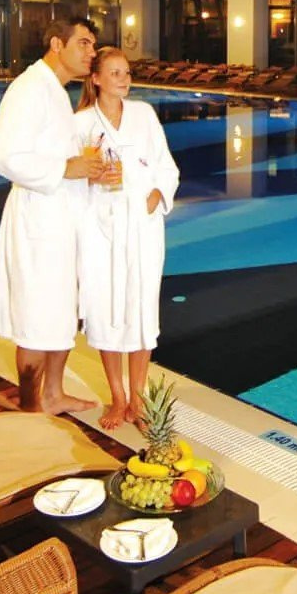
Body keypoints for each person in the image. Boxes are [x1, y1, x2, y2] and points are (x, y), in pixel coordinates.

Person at [0, 16, 104, 415]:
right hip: (39, 221)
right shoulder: (29, 89)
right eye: (84, 43)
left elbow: (55, 156)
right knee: (37, 317)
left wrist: (82, 170)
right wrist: (65, 169)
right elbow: (1, 156)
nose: (92, 52)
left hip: (62, 220)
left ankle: (53, 394)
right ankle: (31, 409)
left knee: (61, 310)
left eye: (93, 45)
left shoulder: (55, 91)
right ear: (56, 44)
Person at [74, 46, 180, 431]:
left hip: (142, 227)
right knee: (105, 310)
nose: (123, 79)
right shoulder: (81, 123)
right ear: (96, 78)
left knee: (141, 310)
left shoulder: (144, 115)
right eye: (115, 72)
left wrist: (156, 196)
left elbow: (166, 166)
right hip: (100, 229)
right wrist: (89, 177)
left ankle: (138, 399)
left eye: (127, 72)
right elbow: (68, 177)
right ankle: (117, 397)